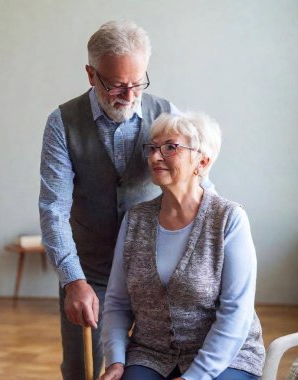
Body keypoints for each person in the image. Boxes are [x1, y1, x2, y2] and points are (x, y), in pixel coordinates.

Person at [38, 19, 187, 379]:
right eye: (118, 85)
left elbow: (194, 184)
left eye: (137, 83)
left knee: (152, 368)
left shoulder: (166, 113)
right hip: (92, 271)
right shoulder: (62, 122)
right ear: (92, 75)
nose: (130, 94)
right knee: (81, 369)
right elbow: (54, 209)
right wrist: (74, 281)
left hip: (156, 268)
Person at [99, 112, 265, 380]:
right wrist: (116, 360)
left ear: (202, 160)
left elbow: (236, 312)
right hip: (151, 354)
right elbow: (118, 303)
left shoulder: (229, 219)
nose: (155, 157)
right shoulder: (136, 220)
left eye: (170, 147)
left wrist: (195, 376)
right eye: (152, 148)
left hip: (227, 358)